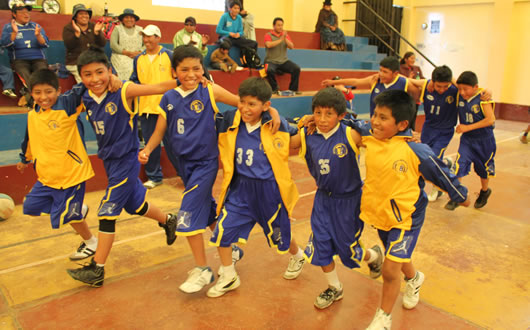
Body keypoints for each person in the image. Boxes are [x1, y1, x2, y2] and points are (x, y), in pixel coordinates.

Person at [139, 46, 282, 294]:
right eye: (184, 69)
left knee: (188, 210)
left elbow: (244, 103)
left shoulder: (209, 90)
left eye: (196, 68)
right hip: (182, 165)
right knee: (205, 209)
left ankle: (202, 269)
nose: (191, 73)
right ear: (175, 71)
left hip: (205, 163)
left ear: (203, 69)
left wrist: (272, 109)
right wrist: (148, 149)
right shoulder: (169, 98)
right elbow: (160, 129)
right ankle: (232, 249)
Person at [350, 90, 469, 330]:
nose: (375, 121)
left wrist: (461, 195)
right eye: (375, 115)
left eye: (383, 118)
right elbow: (346, 120)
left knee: (390, 268)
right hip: (381, 212)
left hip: (408, 217)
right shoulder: (371, 135)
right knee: (397, 255)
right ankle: (415, 278)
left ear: (402, 124)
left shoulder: (416, 150)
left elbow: (441, 172)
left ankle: (383, 318)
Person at [66, 47, 179, 287]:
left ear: (109, 70)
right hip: (109, 161)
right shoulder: (83, 95)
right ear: (81, 77)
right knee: (136, 205)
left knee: (107, 212)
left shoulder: (124, 90)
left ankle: (97, 269)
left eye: (100, 72)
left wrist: (185, 79)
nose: (95, 79)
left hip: (126, 161)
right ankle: (168, 220)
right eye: (88, 74)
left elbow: (157, 87)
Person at [206, 77, 307, 298]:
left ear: (265, 106)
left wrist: (278, 114)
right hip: (240, 191)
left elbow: (299, 138)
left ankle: (297, 254)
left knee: (281, 234)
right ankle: (229, 275)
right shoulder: (228, 121)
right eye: (243, 102)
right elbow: (212, 91)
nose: (245, 108)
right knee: (222, 232)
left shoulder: (278, 125)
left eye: (252, 104)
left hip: (269, 192)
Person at [291, 87, 383, 309]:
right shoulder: (307, 134)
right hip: (323, 200)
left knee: (347, 250)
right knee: (320, 246)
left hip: (349, 201)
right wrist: (294, 122)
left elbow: (382, 138)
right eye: (318, 113)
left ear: (341, 115)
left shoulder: (350, 134)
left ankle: (372, 256)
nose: (322, 119)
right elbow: (279, 142)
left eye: (329, 114)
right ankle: (334, 287)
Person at [17, 69, 100, 261]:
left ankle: (90, 242)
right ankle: (78, 209)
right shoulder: (33, 115)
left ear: (58, 90)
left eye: (48, 91)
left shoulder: (66, 105)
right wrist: (24, 159)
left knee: (68, 216)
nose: (43, 97)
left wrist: (108, 77)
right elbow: (29, 138)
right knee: (30, 206)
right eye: (37, 92)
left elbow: (83, 86)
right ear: (31, 94)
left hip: (71, 174)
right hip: (47, 177)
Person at [130, 24, 180, 189]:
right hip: (146, 109)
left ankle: (185, 173)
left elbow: (178, 78)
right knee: (151, 145)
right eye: (144, 36)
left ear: (158, 37)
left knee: (175, 143)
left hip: (169, 108)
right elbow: (134, 80)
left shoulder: (169, 55)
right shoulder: (139, 59)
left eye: (150, 36)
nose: (146, 39)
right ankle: (154, 177)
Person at [445, 71, 496, 211]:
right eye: (459, 89)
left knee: (482, 170)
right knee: (459, 165)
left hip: (484, 140)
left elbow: (491, 120)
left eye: (465, 89)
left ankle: (485, 191)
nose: (461, 92)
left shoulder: (482, 98)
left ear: (475, 87)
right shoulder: (461, 94)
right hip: (467, 140)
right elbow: (452, 78)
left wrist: (467, 127)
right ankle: (457, 195)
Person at [322, 56, 420, 119]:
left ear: (395, 74)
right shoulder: (374, 80)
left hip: (394, 124)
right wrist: (334, 82)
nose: (381, 74)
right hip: (376, 123)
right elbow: (355, 81)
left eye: (385, 72)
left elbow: (417, 95)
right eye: (380, 70)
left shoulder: (404, 82)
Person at [0, 1, 49, 107]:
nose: (26, 14)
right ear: (14, 14)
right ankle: (34, 100)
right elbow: (4, 44)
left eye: (27, 12)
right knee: (26, 76)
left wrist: (38, 35)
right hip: (19, 60)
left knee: (42, 74)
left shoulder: (35, 26)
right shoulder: (9, 27)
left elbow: (45, 43)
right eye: (22, 12)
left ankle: (28, 97)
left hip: (38, 58)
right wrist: (14, 33)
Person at [62, 4, 106, 83]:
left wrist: (97, 33)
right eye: (81, 14)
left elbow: (102, 44)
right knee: (87, 81)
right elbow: (69, 46)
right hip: (75, 62)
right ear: (75, 16)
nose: (84, 16)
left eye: (86, 14)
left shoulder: (94, 26)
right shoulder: (68, 28)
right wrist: (76, 35)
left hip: (94, 60)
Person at [264, 17, 301, 94]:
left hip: (283, 61)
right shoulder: (268, 35)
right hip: (271, 60)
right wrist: (281, 39)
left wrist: (285, 38)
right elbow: (269, 45)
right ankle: (274, 88)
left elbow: (291, 47)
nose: (280, 27)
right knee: (269, 70)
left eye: (281, 25)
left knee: (296, 68)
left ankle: (293, 89)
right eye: (278, 25)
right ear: (273, 26)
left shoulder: (285, 36)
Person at [110, 8, 143, 81]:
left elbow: (146, 44)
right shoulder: (117, 29)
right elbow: (113, 44)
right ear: (122, 20)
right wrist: (126, 52)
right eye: (126, 17)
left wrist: (139, 53)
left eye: (131, 17)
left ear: (134, 20)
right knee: (126, 66)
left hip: (137, 56)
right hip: (121, 56)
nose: (129, 19)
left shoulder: (140, 30)